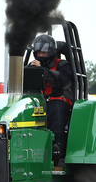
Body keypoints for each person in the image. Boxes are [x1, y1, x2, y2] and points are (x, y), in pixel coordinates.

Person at [27, 34, 74, 163]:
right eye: (38, 52)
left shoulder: (63, 65)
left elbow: (62, 80)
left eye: (43, 52)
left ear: (51, 51)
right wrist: (29, 69)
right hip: (37, 100)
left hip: (59, 98)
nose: (40, 55)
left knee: (56, 109)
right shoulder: (30, 66)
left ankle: (57, 147)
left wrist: (40, 70)